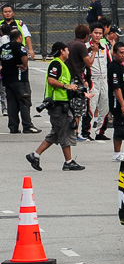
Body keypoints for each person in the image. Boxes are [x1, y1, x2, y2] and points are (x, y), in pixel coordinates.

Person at [26, 43, 85, 171]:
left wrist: (76, 90)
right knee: (65, 133)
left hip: (62, 103)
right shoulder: (56, 64)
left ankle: (35, 155)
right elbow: (51, 80)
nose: (68, 51)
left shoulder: (62, 65)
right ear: (62, 51)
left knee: (55, 134)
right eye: (66, 49)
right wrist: (66, 86)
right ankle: (68, 162)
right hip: (57, 105)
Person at [2, 16, 37, 134]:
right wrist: (24, 65)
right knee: (24, 101)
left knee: (11, 102)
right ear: (20, 37)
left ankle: (13, 127)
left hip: (7, 78)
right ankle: (27, 126)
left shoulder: (3, 47)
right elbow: (24, 57)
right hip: (19, 78)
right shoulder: (18, 46)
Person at [107, 41, 124, 162]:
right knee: (120, 129)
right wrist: (123, 105)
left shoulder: (121, 66)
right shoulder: (114, 67)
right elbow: (116, 88)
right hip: (119, 105)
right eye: (121, 53)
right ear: (114, 53)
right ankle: (117, 153)